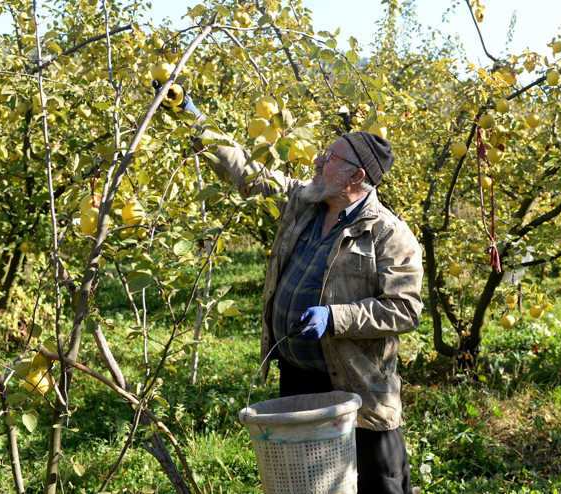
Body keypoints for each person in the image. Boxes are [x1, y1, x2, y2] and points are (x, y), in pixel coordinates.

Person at [167, 88, 423, 493]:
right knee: (310, 483)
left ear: (356, 176)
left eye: (331, 157)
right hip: (299, 377)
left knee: (381, 482)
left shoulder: (389, 234)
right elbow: (249, 173)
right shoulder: (305, 201)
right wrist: (191, 116)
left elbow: (404, 310)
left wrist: (335, 318)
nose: (318, 160)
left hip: (356, 386)